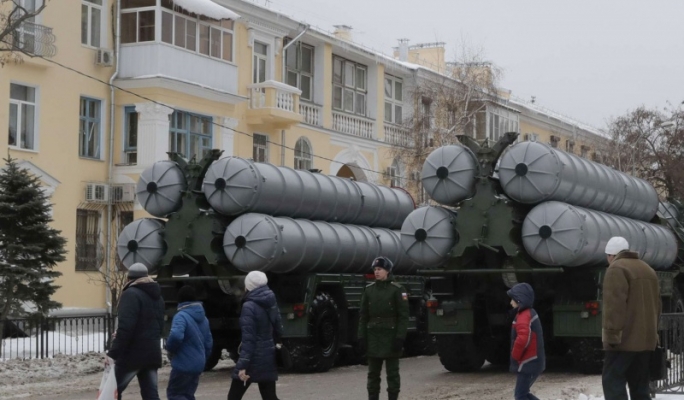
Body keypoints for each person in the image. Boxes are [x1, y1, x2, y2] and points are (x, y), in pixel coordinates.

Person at [602, 236, 661, 400]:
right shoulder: (648, 269)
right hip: (646, 342)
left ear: (611, 255)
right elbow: (658, 306)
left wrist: (612, 335)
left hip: (623, 342)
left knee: (612, 383)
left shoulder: (616, 269)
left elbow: (614, 306)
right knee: (640, 388)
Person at [107, 263, 165, 400]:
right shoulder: (158, 297)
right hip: (152, 353)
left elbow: (126, 327)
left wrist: (113, 354)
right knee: (151, 395)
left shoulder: (130, 294)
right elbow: (160, 326)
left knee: (112, 391)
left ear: (128, 279)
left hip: (132, 355)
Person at [358, 256, 409, 400]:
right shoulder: (369, 290)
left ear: (387, 271)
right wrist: (361, 337)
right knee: (373, 373)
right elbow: (363, 316)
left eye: (380, 269)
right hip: (373, 336)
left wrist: (400, 337)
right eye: (375, 269)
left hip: (391, 336)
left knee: (392, 373)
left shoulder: (397, 290)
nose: (376, 272)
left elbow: (403, 316)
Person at [228, 271, 283, 400]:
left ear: (248, 286)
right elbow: (279, 329)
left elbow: (248, 339)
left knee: (233, 397)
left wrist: (242, 366)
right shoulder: (271, 301)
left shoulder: (249, 306)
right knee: (269, 396)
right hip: (268, 356)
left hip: (253, 359)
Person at [165, 285, 213, 400]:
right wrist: (202, 358)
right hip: (198, 365)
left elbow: (176, 336)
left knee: (175, 395)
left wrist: (170, 349)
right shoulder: (204, 318)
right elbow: (209, 343)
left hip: (183, 364)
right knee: (188, 395)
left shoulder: (181, 316)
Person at [507, 282, 545, 400]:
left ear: (519, 300)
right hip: (532, 361)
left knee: (520, 395)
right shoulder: (528, 313)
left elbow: (522, 339)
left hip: (528, 362)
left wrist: (515, 356)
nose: (510, 302)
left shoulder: (524, 316)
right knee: (523, 393)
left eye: (512, 299)